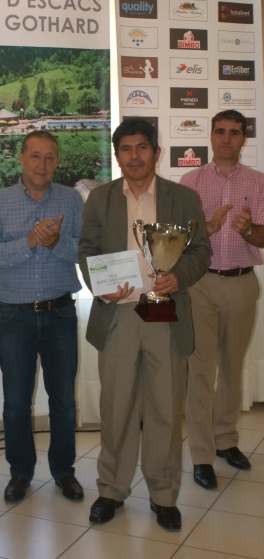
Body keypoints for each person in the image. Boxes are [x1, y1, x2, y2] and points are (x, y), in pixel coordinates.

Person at [78, 118, 210, 531]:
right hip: (118, 316)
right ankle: (111, 489)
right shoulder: (99, 199)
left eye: (141, 148)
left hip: (165, 315)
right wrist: (100, 286)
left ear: (156, 152)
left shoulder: (183, 198)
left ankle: (163, 493)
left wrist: (180, 275)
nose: (134, 157)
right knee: (116, 408)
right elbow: (86, 251)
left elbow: (200, 251)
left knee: (165, 410)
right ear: (117, 155)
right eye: (125, 149)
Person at [0, 131, 84, 503]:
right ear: (21, 158)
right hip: (14, 318)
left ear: (57, 161)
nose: (42, 165)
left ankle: (64, 471)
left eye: (50, 157)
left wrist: (57, 243)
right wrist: (30, 243)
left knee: (64, 401)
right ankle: (20, 472)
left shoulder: (71, 199)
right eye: (35, 156)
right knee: (16, 402)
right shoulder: (0, 202)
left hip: (61, 313)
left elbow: (86, 252)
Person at [180, 110, 264, 491]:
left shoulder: (258, 182)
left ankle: (226, 440)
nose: (227, 138)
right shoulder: (190, 181)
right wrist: (207, 228)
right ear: (210, 136)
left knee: (231, 367)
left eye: (234, 132)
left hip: (244, 283)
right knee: (200, 372)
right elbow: (178, 241)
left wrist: (250, 232)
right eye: (220, 131)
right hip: (201, 284)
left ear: (243, 138)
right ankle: (201, 453)